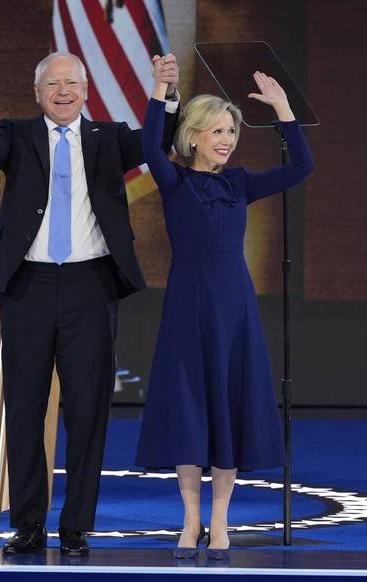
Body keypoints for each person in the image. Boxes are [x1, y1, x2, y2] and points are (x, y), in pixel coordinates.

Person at [0, 51, 181, 556]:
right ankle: (29, 523)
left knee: (87, 411)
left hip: (90, 287)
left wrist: (164, 91)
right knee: (26, 410)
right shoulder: (18, 133)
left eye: (71, 83)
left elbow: (157, 141)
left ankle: (76, 526)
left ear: (86, 90)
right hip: (27, 286)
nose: (62, 91)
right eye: (51, 83)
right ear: (37, 93)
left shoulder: (110, 138)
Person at [136, 66, 314, 559]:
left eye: (232, 131)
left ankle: (220, 522)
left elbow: (301, 167)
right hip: (187, 308)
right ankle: (190, 522)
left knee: (228, 409)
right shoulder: (174, 181)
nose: (227, 140)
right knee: (191, 414)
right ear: (192, 137)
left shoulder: (239, 183)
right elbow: (151, 147)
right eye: (217, 130)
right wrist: (158, 90)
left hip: (234, 310)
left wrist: (282, 109)